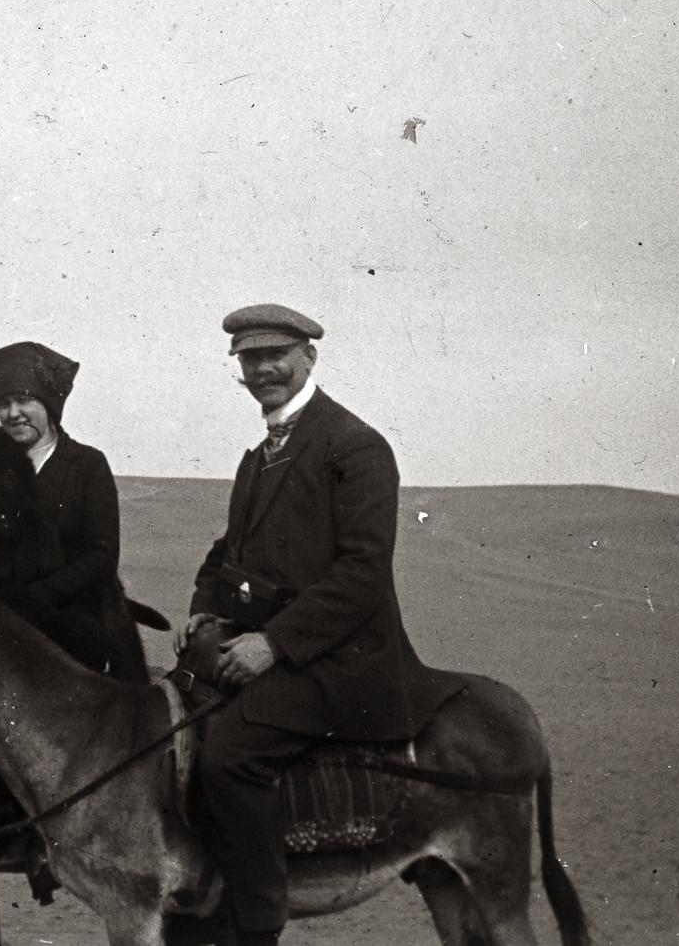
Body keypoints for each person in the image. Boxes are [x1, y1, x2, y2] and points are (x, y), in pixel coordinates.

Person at [179, 305, 466, 946]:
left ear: (309, 356)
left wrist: (272, 644)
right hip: (279, 649)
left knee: (229, 757)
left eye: (275, 355)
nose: (262, 371)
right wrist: (203, 605)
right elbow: (228, 551)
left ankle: (254, 921)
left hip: (343, 659)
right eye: (249, 360)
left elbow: (362, 573)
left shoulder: (355, 446)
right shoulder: (260, 458)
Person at [0, 340, 149, 681]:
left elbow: (101, 555)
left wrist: (35, 598)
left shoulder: (86, 465)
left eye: (24, 399)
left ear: (48, 404)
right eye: (3, 404)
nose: (13, 412)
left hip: (68, 631)